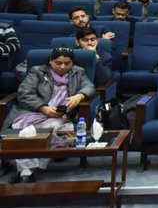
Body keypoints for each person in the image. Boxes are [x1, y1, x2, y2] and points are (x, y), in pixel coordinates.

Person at [5, 46, 96, 182]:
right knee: (25, 131)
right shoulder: (37, 72)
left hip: (61, 116)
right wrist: (42, 107)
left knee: (51, 129)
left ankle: (25, 171)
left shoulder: (78, 72)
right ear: (50, 61)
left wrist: (79, 96)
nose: (63, 67)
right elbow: (24, 93)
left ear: (72, 63)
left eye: (67, 63)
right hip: (34, 112)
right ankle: (27, 171)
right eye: (58, 63)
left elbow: (89, 87)